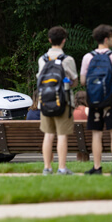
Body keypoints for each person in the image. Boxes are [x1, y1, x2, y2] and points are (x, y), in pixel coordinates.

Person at [80, 24, 112, 175]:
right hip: (111, 101)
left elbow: (82, 81)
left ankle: (96, 167)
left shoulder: (88, 57)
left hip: (94, 101)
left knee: (96, 133)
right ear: (106, 39)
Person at [37, 26, 78, 175]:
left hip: (45, 101)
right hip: (63, 101)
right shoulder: (67, 60)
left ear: (49, 40)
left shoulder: (42, 60)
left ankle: (47, 168)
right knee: (62, 135)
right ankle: (61, 168)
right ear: (64, 41)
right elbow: (74, 81)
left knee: (48, 135)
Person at [73, 91, 89, 161]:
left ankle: (78, 162)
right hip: (88, 141)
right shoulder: (88, 110)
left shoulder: (71, 111)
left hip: (73, 142)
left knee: (78, 139)